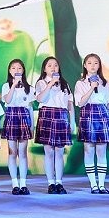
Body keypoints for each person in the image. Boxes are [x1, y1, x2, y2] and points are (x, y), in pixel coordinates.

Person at [74, 53, 109, 194]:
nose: (93, 65)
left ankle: (102, 185)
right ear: (85, 65)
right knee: (89, 150)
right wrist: (91, 87)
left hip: (103, 115)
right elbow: (80, 103)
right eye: (89, 63)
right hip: (88, 114)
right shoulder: (80, 83)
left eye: (96, 63)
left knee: (102, 151)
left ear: (99, 66)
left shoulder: (105, 83)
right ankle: (93, 185)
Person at [34, 56, 74, 194]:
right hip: (47, 115)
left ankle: (59, 182)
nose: (53, 67)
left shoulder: (64, 84)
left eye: (55, 65)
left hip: (61, 116)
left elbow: (70, 104)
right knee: (49, 152)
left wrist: (72, 121)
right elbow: (40, 98)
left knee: (60, 152)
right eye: (49, 65)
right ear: (44, 69)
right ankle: (51, 183)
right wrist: (50, 83)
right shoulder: (41, 83)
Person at [1, 59, 35, 195]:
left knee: (23, 152)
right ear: (10, 71)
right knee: (12, 152)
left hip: (24, 118)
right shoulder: (6, 86)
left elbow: (30, 108)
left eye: (19, 68)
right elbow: (7, 100)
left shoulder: (29, 88)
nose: (16, 70)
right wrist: (14, 85)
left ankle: (23, 184)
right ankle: (15, 184)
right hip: (11, 116)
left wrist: (32, 126)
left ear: (23, 71)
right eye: (13, 68)